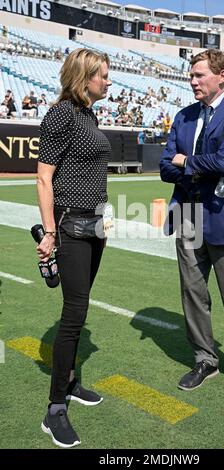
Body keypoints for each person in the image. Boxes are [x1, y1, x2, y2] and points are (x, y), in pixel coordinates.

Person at [160, 49, 224, 401]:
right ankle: (205, 359)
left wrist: (185, 160)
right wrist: (190, 164)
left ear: (222, 76)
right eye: (191, 75)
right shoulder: (184, 115)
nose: (192, 81)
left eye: (199, 75)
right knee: (192, 293)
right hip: (189, 214)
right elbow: (164, 167)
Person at [36, 48, 112, 448]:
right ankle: (54, 409)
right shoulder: (62, 113)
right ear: (84, 78)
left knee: (79, 311)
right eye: (103, 75)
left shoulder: (88, 114)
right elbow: (44, 179)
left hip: (94, 226)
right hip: (70, 227)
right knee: (74, 314)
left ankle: (70, 382)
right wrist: (49, 232)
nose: (108, 81)